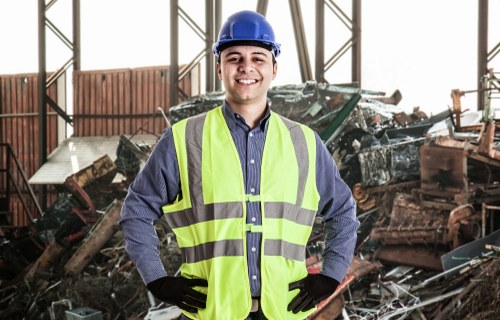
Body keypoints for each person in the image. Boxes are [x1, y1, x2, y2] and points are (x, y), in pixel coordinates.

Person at [120, 10, 359, 320]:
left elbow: (342, 211)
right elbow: (136, 210)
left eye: (258, 58)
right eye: (234, 58)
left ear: (274, 68)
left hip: (284, 311)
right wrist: (157, 279)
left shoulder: (306, 143)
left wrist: (331, 275)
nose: (247, 67)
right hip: (212, 311)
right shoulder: (184, 139)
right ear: (219, 67)